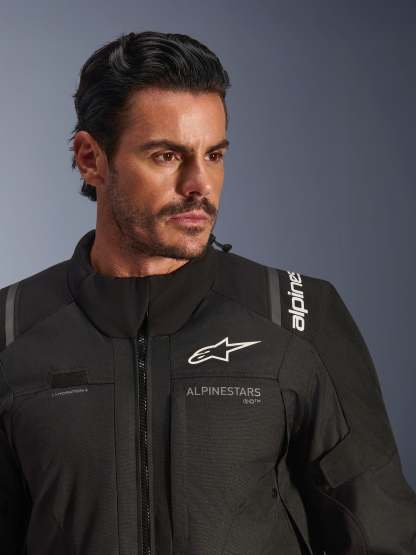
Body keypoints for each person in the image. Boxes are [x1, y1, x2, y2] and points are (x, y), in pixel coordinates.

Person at [0, 30, 415, 555]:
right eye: (167, 156)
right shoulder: (11, 328)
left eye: (214, 154)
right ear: (90, 158)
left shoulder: (297, 315)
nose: (200, 184)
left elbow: (381, 535)